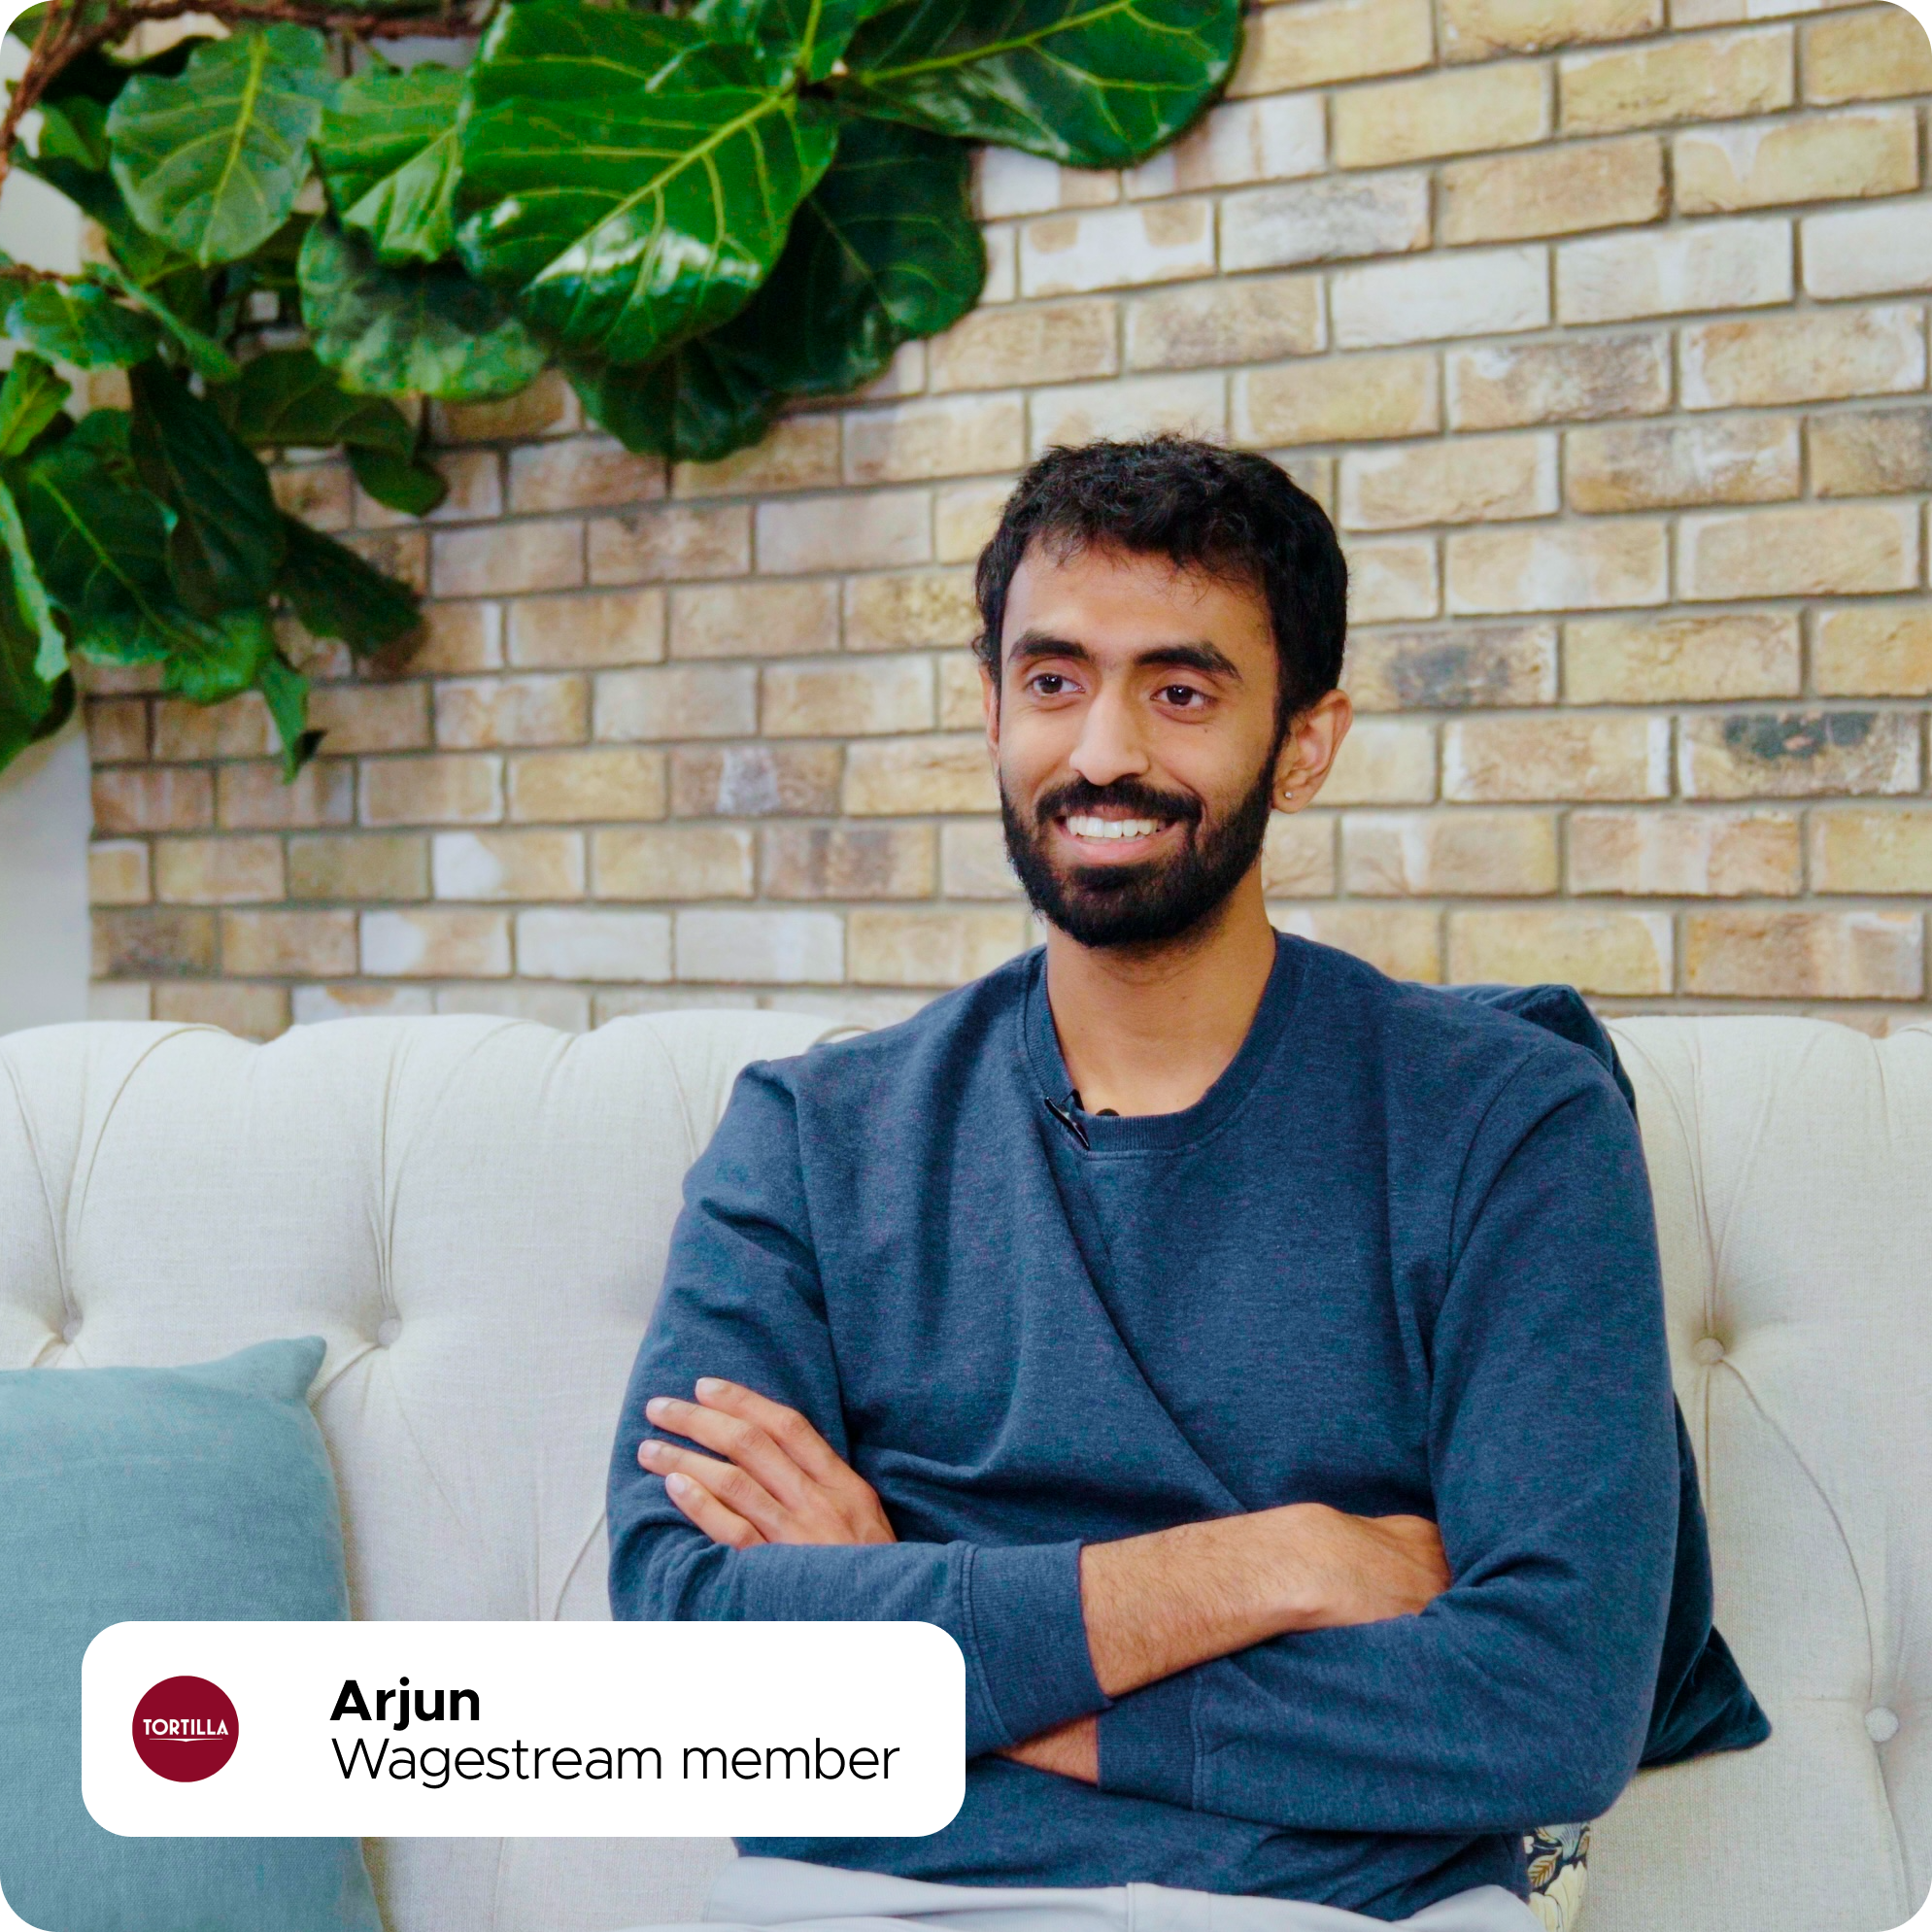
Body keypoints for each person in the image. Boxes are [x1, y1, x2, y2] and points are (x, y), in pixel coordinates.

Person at [606, 438, 1681, 1932]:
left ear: (1305, 742)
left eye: (1180, 691)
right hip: (858, 1901)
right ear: (990, 710)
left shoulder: (1508, 1121)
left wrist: (921, 1658)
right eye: (1053, 682)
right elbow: (679, 1658)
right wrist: (1281, 1562)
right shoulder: (808, 1135)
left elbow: (1551, 1704)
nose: (1103, 750)